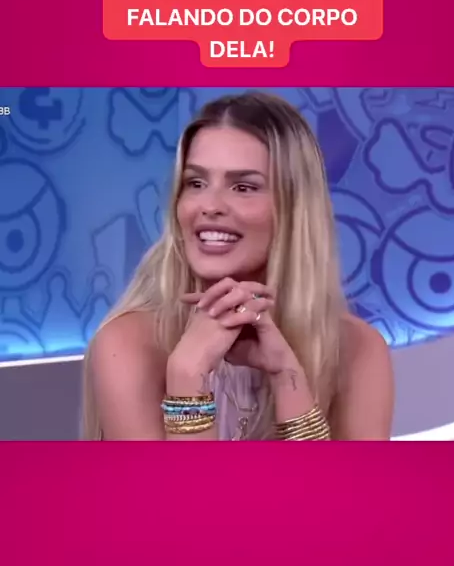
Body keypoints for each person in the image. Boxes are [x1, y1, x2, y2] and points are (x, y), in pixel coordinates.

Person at [82, 91, 394, 441]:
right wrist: (187, 376)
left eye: (243, 187)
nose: (209, 205)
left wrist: (287, 377)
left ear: (294, 209)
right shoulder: (127, 343)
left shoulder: (357, 348)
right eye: (196, 183)